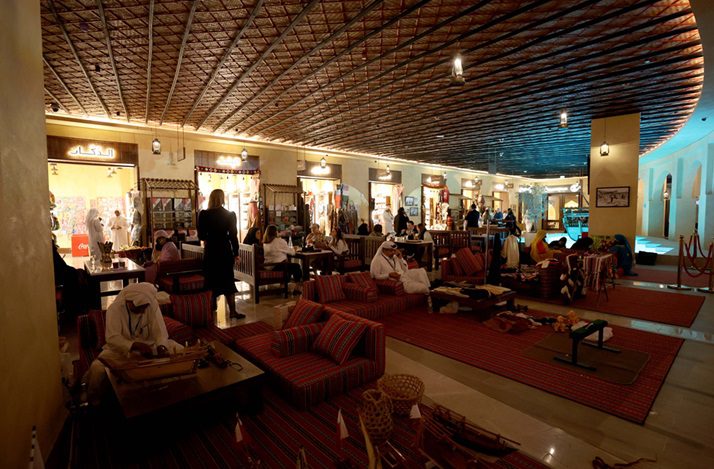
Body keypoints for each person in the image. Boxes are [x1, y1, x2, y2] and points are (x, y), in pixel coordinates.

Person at [86, 283, 183, 404]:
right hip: (121, 351)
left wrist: (161, 346)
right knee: (97, 369)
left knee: (179, 350)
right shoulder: (115, 309)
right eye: (139, 307)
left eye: (145, 307)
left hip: (150, 348)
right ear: (128, 301)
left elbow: (160, 332)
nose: (143, 311)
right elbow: (112, 338)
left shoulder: (151, 305)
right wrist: (134, 345)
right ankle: (93, 403)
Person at [198, 189, 243, 319]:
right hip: (225, 251)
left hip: (211, 251)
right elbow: (233, 236)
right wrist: (236, 253)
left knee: (211, 280)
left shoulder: (204, 214)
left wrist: (209, 236)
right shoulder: (230, 215)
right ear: (223, 199)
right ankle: (233, 312)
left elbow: (201, 236)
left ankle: (211, 311)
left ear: (211, 199)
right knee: (228, 280)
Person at [263, 225, 303, 293]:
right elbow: (292, 253)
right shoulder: (279, 241)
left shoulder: (265, 242)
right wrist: (295, 249)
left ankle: (283, 285)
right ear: (276, 232)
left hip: (268, 266)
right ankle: (297, 287)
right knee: (297, 266)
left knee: (288, 265)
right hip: (277, 266)